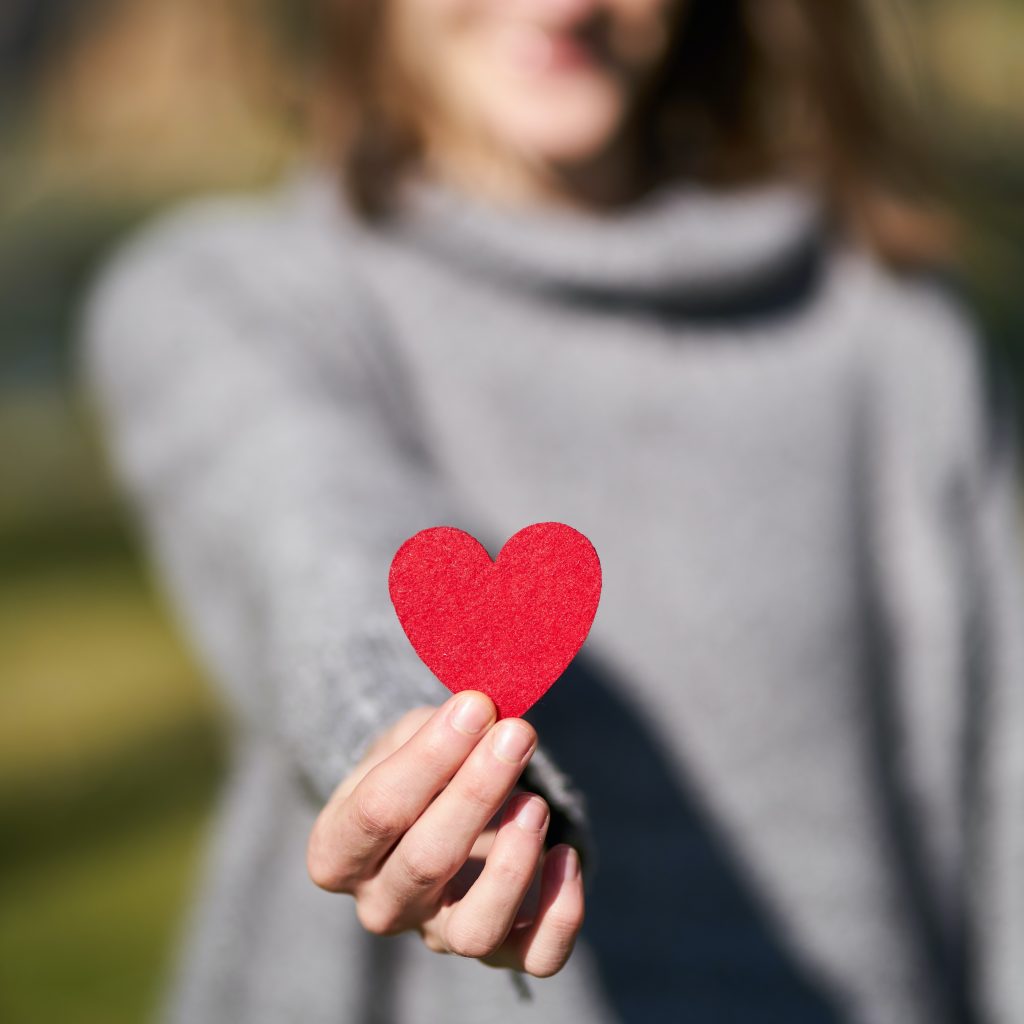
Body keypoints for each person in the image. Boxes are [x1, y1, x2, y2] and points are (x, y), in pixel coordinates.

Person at [80, 1, 1024, 1022]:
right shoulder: (230, 296)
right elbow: (303, 527)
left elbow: (1002, 793)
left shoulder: (897, 340)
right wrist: (403, 742)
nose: (562, 5)